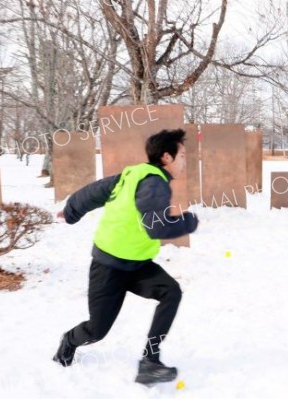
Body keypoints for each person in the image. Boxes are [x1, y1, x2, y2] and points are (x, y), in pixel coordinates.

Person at [53, 129, 199, 385]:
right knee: (96, 330)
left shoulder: (133, 174)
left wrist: (71, 211)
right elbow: (157, 227)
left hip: (137, 265)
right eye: (183, 155)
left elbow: (94, 192)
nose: (185, 161)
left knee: (171, 292)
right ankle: (69, 340)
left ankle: (150, 361)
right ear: (167, 157)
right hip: (108, 266)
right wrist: (187, 222)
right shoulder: (153, 183)